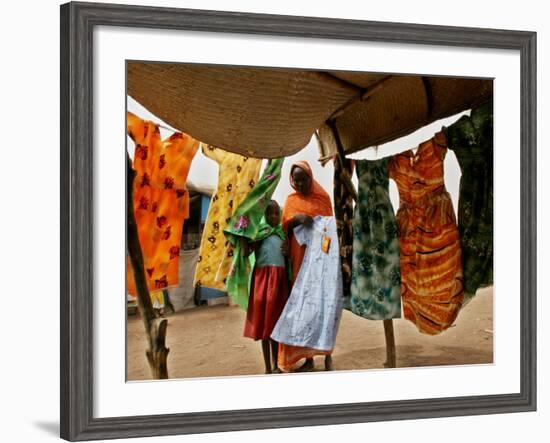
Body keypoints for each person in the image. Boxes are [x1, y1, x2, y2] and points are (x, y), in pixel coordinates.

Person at [278, 161, 335, 372]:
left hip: (319, 263)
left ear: (311, 177)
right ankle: (309, 359)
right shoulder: (291, 201)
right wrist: (297, 219)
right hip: (299, 262)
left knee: (322, 310)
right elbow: (284, 229)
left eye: (304, 179)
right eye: (297, 179)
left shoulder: (323, 198)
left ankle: (328, 356)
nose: (300, 183)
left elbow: (331, 232)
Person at [241, 200, 289, 373]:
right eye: (269, 213)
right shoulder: (259, 234)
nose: (273, 217)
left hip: (279, 283)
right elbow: (246, 252)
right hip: (262, 281)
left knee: (275, 324)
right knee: (264, 327)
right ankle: (268, 368)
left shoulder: (283, 235)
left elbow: (289, 255)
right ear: (264, 215)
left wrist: (287, 250)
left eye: (276, 213)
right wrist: (243, 235)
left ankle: (277, 365)